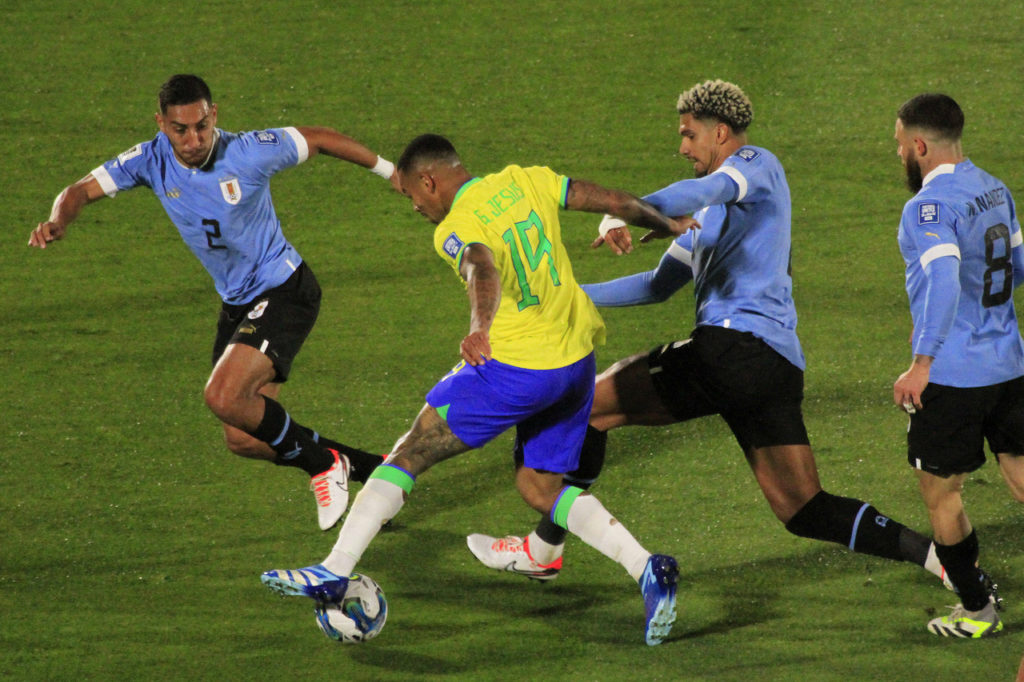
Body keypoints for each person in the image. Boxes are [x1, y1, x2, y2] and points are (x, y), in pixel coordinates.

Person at [467, 80, 954, 612]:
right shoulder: (710, 217)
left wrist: (622, 211)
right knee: (803, 509)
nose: (682, 147)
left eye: (688, 135)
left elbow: (698, 191)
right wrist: (569, 297)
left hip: (729, 351)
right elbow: (656, 285)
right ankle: (940, 558)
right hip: (774, 368)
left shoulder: (755, 164)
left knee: (584, 407)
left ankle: (544, 548)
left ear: (719, 133)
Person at [261, 133, 694, 645]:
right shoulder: (524, 179)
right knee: (540, 487)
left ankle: (336, 566)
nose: (416, 207)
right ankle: (646, 567)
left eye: (413, 196)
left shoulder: (456, 226)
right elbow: (612, 201)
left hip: (517, 367)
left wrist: (480, 325)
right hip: (576, 359)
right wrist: (669, 225)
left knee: (410, 450)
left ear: (429, 180)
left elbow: (480, 267)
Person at [28, 74, 391, 531]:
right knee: (243, 436)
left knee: (222, 395)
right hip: (238, 302)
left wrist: (390, 171)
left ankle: (322, 466)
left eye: (202, 125)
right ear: (161, 124)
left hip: (284, 289)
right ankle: (376, 472)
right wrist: (59, 220)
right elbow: (79, 189)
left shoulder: (248, 151)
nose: (194, 139)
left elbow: (318, 138)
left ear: (214, 114)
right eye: (181, 130)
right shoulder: (150, 159)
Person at [891, 92, 1022, 638]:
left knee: (941, 493)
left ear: (919, 145)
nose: (897, 151)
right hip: (1010, 365)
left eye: (898, 143)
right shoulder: (994, 188)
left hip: (952, 377)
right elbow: (1017, 265)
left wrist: (922, 363)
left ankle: (977, 610)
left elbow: (943, 277)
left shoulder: (927, 207)